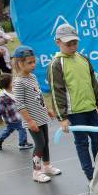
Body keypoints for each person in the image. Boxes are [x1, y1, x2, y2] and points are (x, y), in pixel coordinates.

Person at [48, 24, 98, 181]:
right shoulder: (56, 64)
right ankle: (90, 175)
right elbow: (56, 91)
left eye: (75, 42)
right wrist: (63, 117)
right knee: (81, 143)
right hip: (74, 112)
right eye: (68, 44)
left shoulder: (83, 59)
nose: (73, 46)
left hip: (90, 108)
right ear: (58, 42)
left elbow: (94, 81)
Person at [12, 45, 61, 183]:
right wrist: (30, 120)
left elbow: (37, 95)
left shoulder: (32, 77)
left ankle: (47, 166)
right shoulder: (19, 82)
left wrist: (47, 109)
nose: (33, 65)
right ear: (19, 63)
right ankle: (36, 172)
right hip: (32, 119)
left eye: (34, 62)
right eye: (29, 63)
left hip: (41, 116)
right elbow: (20, 104)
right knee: (39, 144)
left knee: (45, 142)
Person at [0, 73, 33, 151]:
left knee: (9, 129)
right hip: (12, 118)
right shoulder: (3, 97)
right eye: (12, 81)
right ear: (8, 84)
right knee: (22, 127)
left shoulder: (13, 91)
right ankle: (22, 143)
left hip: (16, 116)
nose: (14, 82)